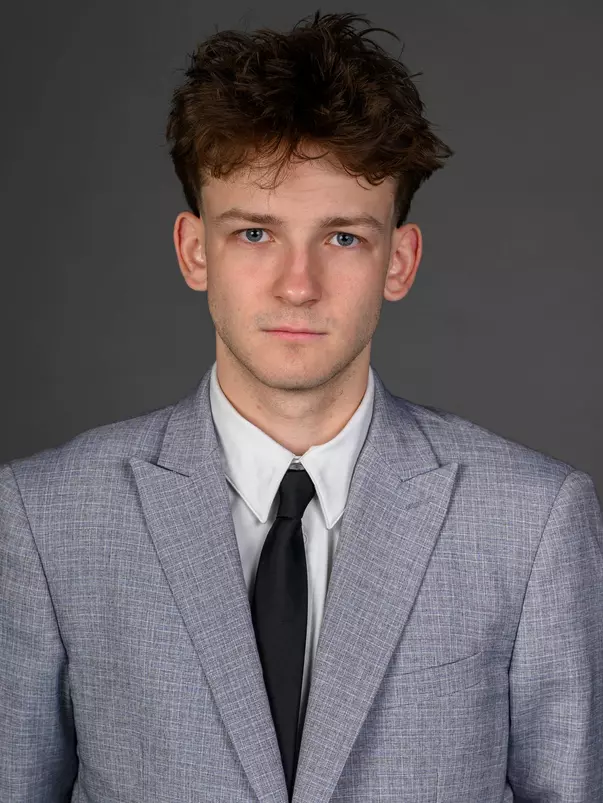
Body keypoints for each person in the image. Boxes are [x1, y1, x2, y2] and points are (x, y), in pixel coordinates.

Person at [1, 10, 602, 803]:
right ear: (192, 250)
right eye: (254, 232)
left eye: (343, 238)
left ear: (400, 260)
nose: (297, 283)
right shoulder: (46, 518)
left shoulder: (532, 522)